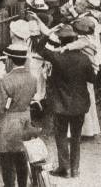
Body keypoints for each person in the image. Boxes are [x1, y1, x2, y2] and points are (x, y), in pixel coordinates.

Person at [37, 25, 95, 179]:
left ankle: (65, 168)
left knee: (61, 135)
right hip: (80, 105)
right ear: (75, 40)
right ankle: (75, 169)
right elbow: (93, 79)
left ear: (61, 41)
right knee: (76, 137)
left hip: (60, 105)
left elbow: (38, 47)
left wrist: (49, 33)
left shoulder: (57, 58)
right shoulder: (84, 59)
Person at [0, 44, 37, 187]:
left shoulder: (6, 80)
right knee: (22, 157)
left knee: (7, 162)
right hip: (26, 121)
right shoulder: (32, 78)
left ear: (9, 60)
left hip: (9, 124)